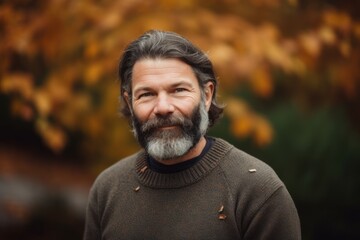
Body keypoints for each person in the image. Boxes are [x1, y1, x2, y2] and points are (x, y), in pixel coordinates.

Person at [83, 30, 301, 240]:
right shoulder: (107, 189)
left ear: (206, 95)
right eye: (147, 94)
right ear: (130, 103)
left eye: (178, 90)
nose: (163, 107)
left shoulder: (258, 192)